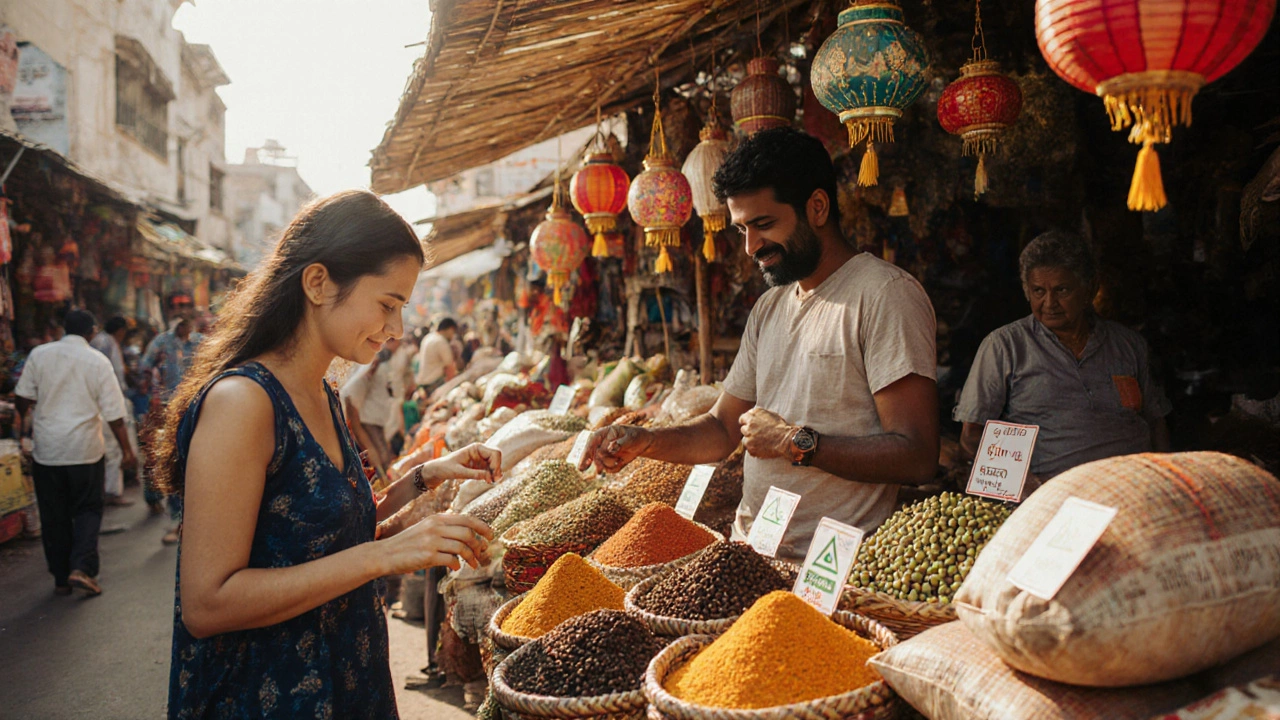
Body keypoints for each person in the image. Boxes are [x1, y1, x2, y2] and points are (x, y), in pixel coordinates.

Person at [151, 190, 497, 719]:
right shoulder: (243, 403)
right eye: (388, 304)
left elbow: (323, 529)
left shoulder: (321, 392)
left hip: (347, 683)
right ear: (317, 283)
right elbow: (207, 602)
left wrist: (424, 477)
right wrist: (383, 557)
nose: (397, 329)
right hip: (268, 694)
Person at [578, 128, 940, 562]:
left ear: (817, 207)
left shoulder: (883, 294)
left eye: (764, 224)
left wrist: (795, 443)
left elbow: (917, 454)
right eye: (742, 229)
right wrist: (646, 441)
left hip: (831, 566)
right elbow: (720, 431)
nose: (751, 247)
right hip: (753, 553)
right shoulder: (771, 307)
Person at [954, 230, 1172, 489]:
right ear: (1026, 291)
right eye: (1038, 291)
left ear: (1090, 289)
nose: (1049, 303)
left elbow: (1156, 423)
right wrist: (1025, 487)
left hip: (1132, 490)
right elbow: (972, 438)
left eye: (1062, 290)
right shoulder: (1004, 346)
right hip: (1047, 495)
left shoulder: (1128, 345)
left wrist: (1166, 483)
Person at [14, 310, 136, 597]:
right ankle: (81, 567)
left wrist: (24, 427)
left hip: (48, 450)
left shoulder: (39, 355)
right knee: (88, 509)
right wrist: (127, 450)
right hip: (85, 450)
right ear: (92, 332)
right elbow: (115, 415)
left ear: (63, 329)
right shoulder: (97, 361)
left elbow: (22, 396)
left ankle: (60, 577)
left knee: (53, 513)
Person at [141, 316, 202, 541]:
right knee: (172, 460)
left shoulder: (199, 341)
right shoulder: (162, 342)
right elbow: (145, 367)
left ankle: (191, 519)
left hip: (196, 407)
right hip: (168, 409)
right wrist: (152, 395)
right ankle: (177, 520)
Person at [91, 316, 139, 506]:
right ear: (119, 330)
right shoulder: (106, 343)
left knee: (108, 447)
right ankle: (112, 492)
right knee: (114, 448)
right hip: (109, 400)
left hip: (105, 399)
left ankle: (109, 489)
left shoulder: (104, 342)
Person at [341, 338, 400, 472]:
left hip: (373, 425)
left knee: (384, 463)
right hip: (366, 426)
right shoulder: (361, 378)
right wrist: (370, 447)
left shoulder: (376, 370)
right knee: (380, 464)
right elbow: (352, 413)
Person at [415, 317, 458, 396]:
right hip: (434, 384)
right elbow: (449, 368)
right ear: (450, 329)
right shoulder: (441, 341)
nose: (452, 336)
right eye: (453, 332)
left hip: (423, 384)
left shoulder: (428, 337)